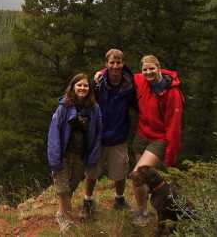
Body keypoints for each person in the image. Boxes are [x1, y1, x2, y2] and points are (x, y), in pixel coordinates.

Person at [82, 49, 136, 220]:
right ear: (106, 64)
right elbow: (84, 98)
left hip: (119, 136)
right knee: (92, 173)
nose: (115, 66)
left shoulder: (129, 85)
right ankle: (87, 202)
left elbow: (139, 105)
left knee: (120, 172)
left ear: (123, 63)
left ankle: (119, 200)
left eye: (118, 62)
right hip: (98, 137)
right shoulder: (97, 83)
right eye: (112, 62)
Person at [130, 55, 184, 227]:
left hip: (159, 139)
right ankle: (142, 211)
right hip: (142, 134)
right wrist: (101, 73)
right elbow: (118, 74)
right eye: (145, 69)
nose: (148, 72)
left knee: (137, 173)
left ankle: (154, 212)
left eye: (152, 68)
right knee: (140, 178)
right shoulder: (140, 80)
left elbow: (174, 126)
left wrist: (170, 154)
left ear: (159, 68)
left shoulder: (172, 92)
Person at [47, 73, 103, 232]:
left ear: (89, 88)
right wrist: (54, 157)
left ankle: (60, 213)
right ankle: (66, 219)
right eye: (79, 85)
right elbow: (54, 132)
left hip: (81, 154)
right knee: (63, 187)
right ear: (72, 87)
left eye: (85, 85)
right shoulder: (64, 106)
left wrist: (93, 154)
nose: (82, 88)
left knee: (71, 185)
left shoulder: (94, 108)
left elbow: (98, 132)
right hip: (63, 154)